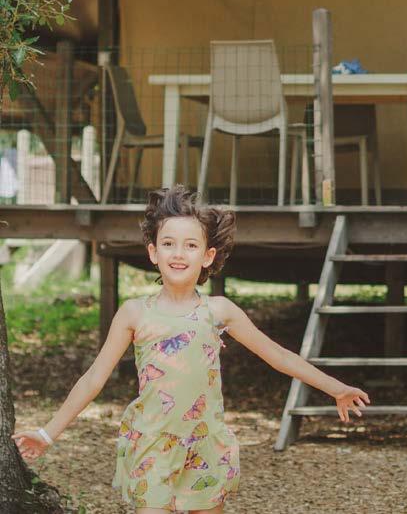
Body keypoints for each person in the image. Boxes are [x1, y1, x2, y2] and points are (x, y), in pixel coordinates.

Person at [14, 185, 370, 513]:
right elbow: (94, 378)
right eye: (168, 244)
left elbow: (277, 355)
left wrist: (335, 388)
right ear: (153, 252)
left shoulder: (219, 311)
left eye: (190, 245)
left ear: (207, 255)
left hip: (206, 445)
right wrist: (48, 434)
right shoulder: (135, 313)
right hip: (152, 445)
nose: (178, 253)